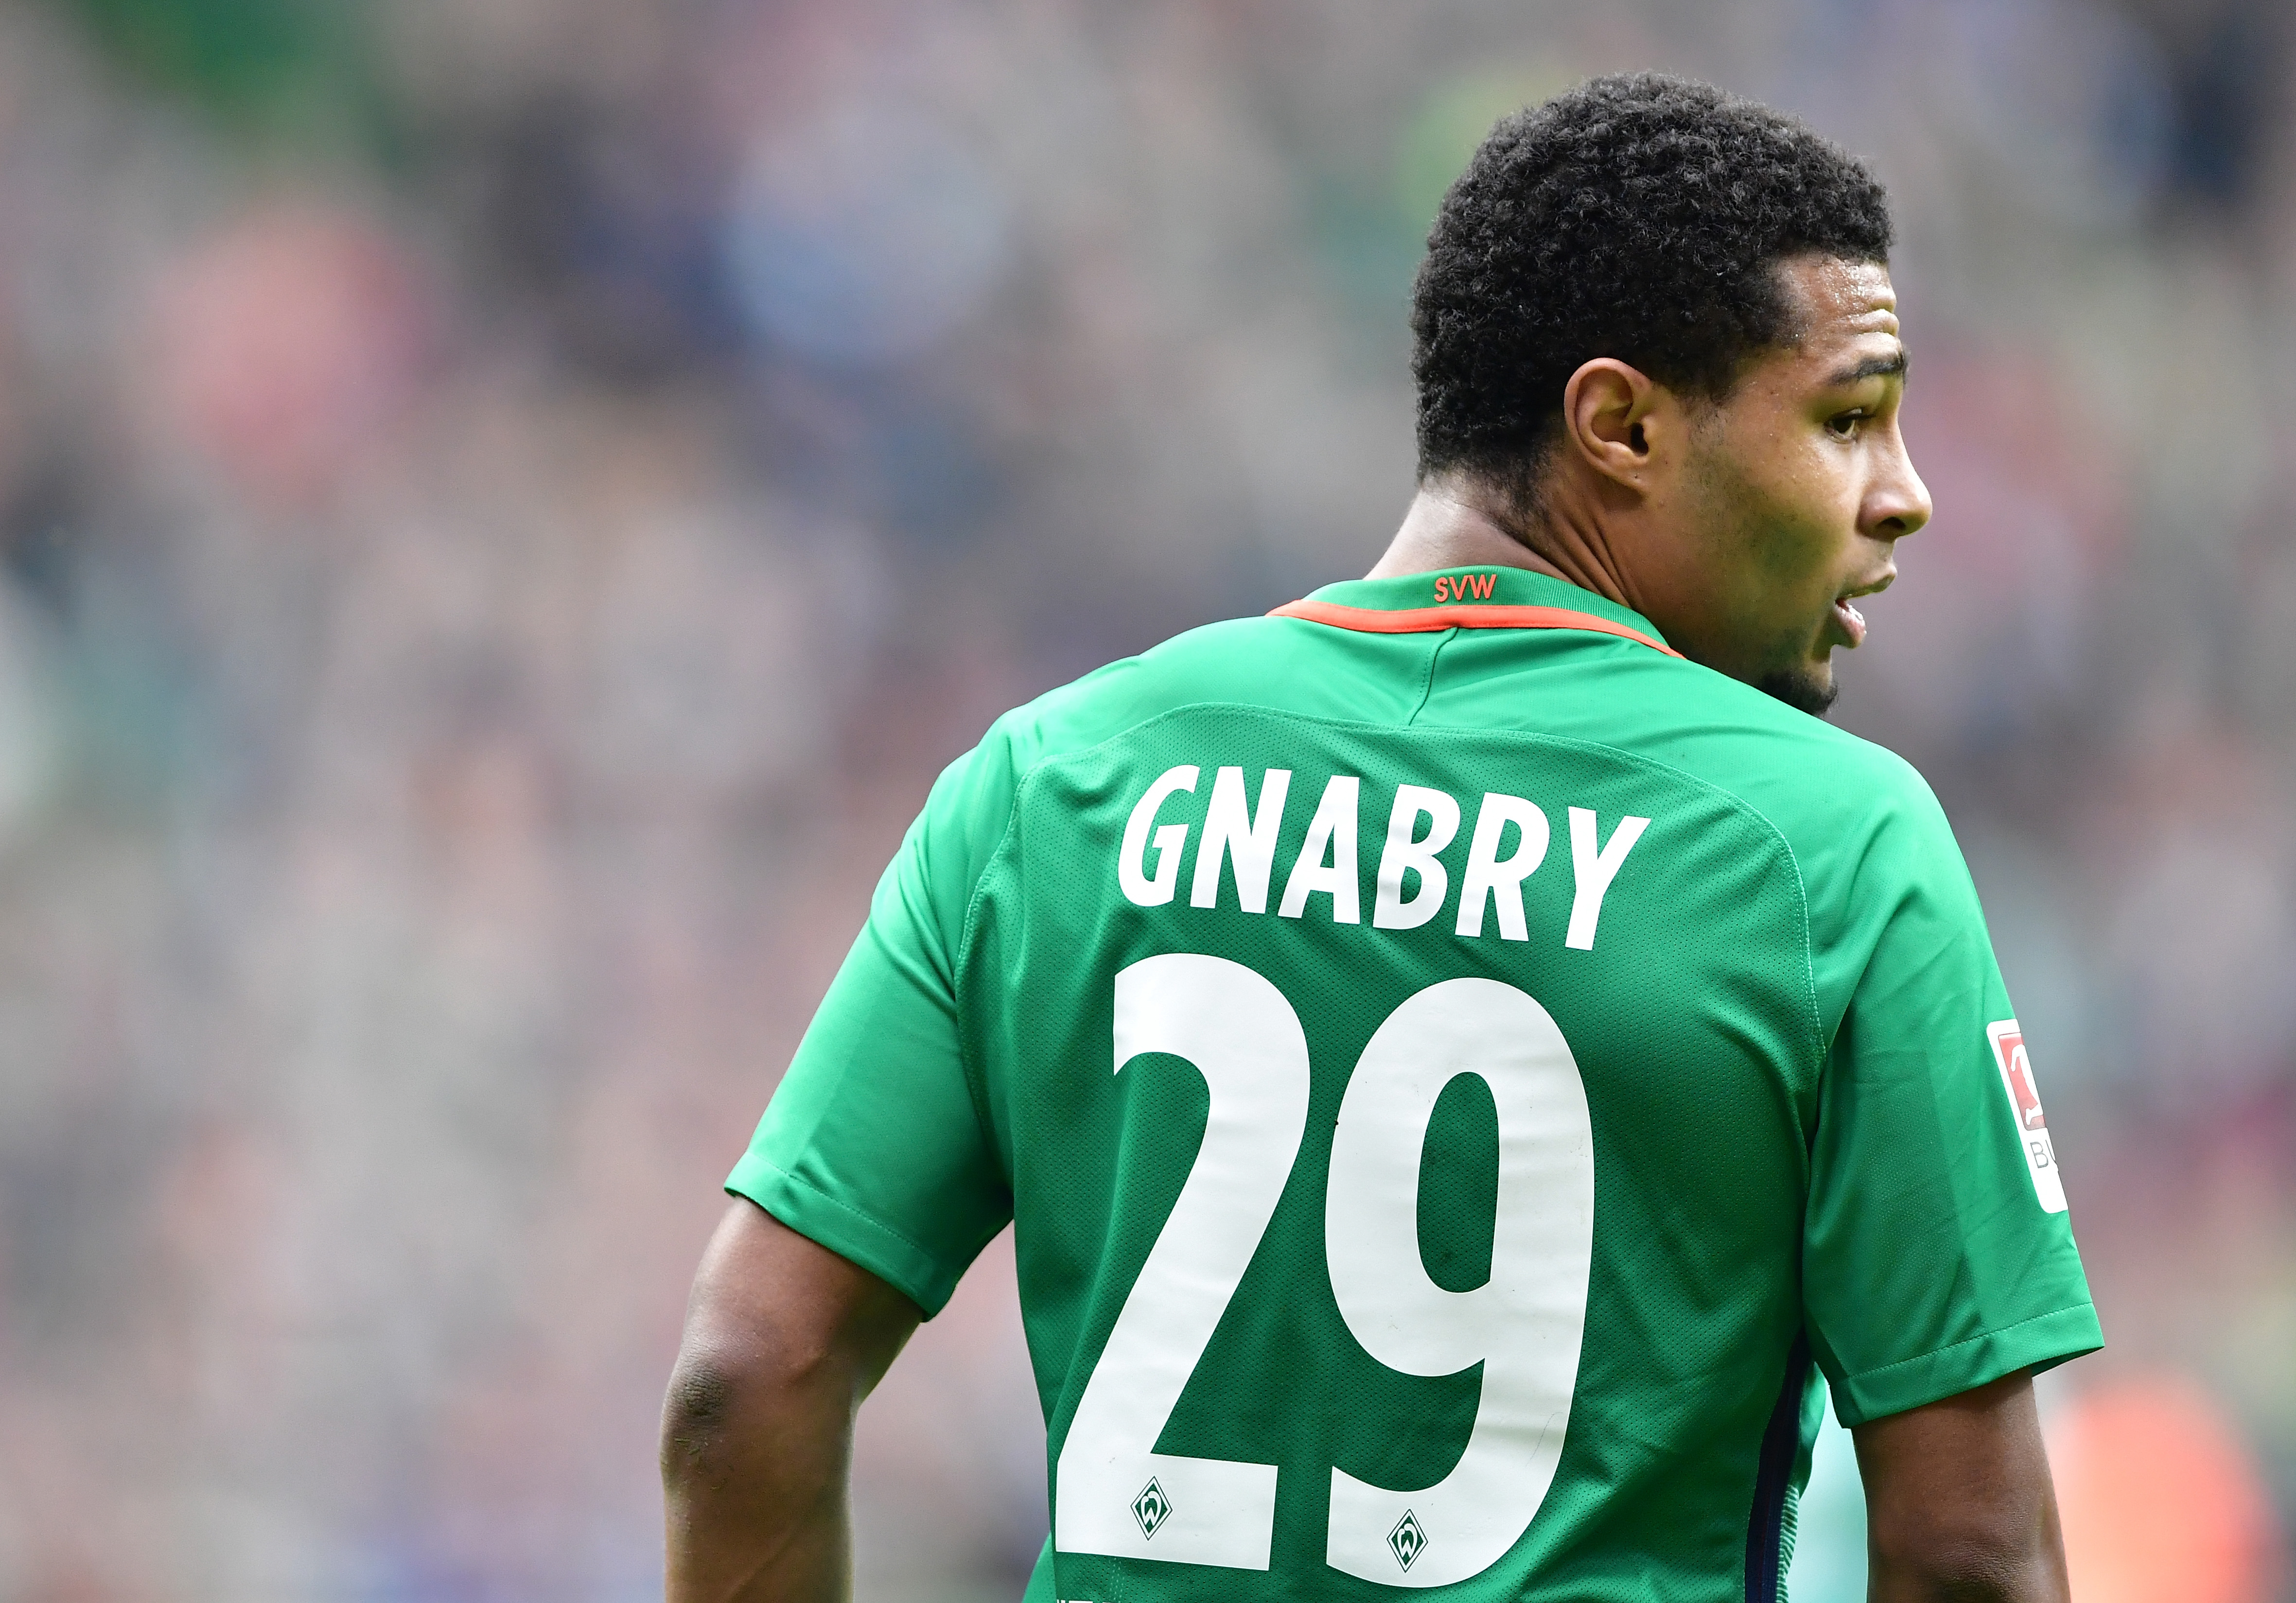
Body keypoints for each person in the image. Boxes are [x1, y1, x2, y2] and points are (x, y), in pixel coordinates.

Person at [661, 73, 2101, 1603]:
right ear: (1617, 424)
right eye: (1847, 418)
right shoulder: (1827, 848)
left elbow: (743, 1383)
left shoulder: (1053, 780)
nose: (1907, 497)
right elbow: (1966, 1557)